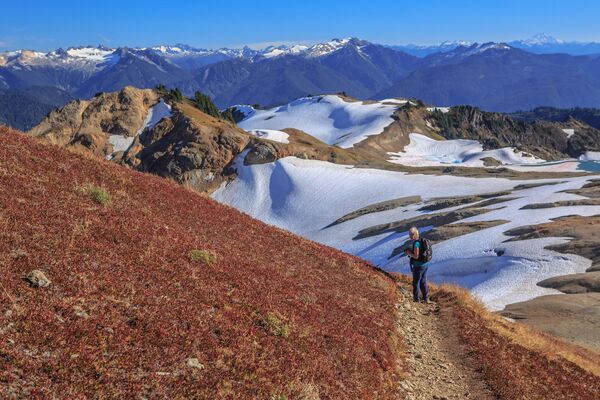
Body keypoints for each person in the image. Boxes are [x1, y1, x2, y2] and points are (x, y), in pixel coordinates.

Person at [405, 226, 429, 303]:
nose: (409, 236)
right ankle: (426, 298)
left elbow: (416, 256)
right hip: (425, 264)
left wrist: (409, 253)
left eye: (410, 234)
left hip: (418, 266)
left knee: (416, 283)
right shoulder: (421, 240)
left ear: (415, 234)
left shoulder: (416, 243)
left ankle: (416, 299)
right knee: (423, 281)